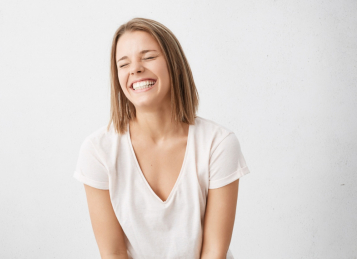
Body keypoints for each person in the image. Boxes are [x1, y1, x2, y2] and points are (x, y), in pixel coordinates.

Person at [73, 17, 250, 259]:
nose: (135, 68)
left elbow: (213, 252)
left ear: (174, 65)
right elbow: (113, 253)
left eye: (148, 57)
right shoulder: (98, 150)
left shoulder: (218, 144)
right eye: (123, 64)